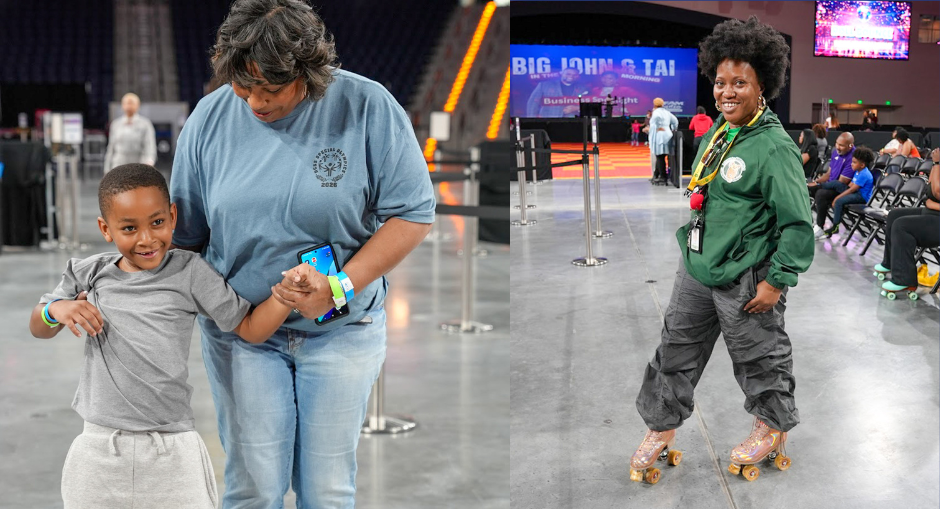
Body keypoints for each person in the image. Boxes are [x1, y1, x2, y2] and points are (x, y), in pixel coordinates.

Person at [169, 0, 436, 506]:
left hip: (341, 332)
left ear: (308, 73)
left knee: (326, 490)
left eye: (270, 90)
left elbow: (413, 214)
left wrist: (339, 285)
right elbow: (186, 239)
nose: (254, 103)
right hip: (243, 335)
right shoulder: (209, 118)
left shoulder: (367, 106)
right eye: (242, 86)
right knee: (253, 488)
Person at [29, 164, 302, 508]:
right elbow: (39, 326)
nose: (146, 239)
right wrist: (56, 310)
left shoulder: (190, 272)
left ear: (172, 216)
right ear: (106, 229)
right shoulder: (89, 273)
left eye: (157, 222)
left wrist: (284, 297)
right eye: (129, 228)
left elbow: (249, 327)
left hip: (172, 447)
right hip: (100, 449)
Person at [629, 16, 813, 485]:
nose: (727, 92)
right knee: (675, 349)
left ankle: (771, 426)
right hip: (697, 264)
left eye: (740, 83)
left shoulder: (774, 146)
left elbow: (797, 223)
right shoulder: (720, 131)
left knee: (759, 355)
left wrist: (777, 281)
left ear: (762, 86)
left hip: (746, 275)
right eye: (721, 82)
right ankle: (662, 425)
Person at [876, 148, 940, 295]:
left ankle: (904, 280)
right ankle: (890, 263)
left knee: (902, 226)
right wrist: (935, 164)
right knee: (894, 215)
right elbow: (929, 193)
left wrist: (937, 163)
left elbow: (937, 193)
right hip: (932, 213)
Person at [807, 132, 855, 238]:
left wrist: (819, 185)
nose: (837, 147)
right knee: (807, 189)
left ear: (850, 146)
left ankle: (820, 227)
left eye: (841, 145)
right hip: (831, 185)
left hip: (843, 189)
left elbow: (841, 182)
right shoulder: (836, 152)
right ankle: (808, 221)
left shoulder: (853, 157)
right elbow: (829, 174)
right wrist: (816, 182)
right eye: (837, 143)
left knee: (821, 193)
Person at [822, 146, 875, 237]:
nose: (851, 164)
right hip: (855, 192)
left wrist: (837, 197)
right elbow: (850, 186)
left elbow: (852, 189)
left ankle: (835, 227)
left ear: (862, 165)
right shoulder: (858, 171)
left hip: (861, 197)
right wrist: (841, 189)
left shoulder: (864, 174)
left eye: (854, 162)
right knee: (836, 183)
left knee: (838, 202)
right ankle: (818, 187)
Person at [102, 93, 157, 173]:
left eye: (131, 103)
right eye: (126, 103)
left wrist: (149, 162)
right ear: (122, 105)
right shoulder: (115, 124)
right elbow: (111, 148)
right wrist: (107, 168)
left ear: (138, 105)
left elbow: (150, 146)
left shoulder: (145, 124)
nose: (129, 106)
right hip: (118, 165)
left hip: (138, 164)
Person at [649, 97, 678, 184]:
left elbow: (654, 122)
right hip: (668, 134)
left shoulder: (656, 113)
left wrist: (657, 127)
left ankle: (663, 177)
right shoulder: (667, 112)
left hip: (660, 136)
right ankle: (656, 175)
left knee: (659, 157)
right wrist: (673, 129)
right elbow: (675, 121)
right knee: (662, 156)